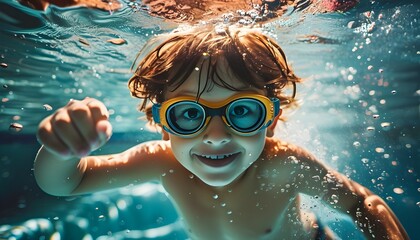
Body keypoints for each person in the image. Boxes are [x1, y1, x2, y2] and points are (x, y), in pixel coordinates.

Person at [34, 25, 409, 240]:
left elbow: (361, 203)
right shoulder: (162, 163)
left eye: (242, 111)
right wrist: (62, 150)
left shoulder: (285, 165)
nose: (215, 135)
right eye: (188, 115)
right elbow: (66, 183)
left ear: (271, 120)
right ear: (163, 125)